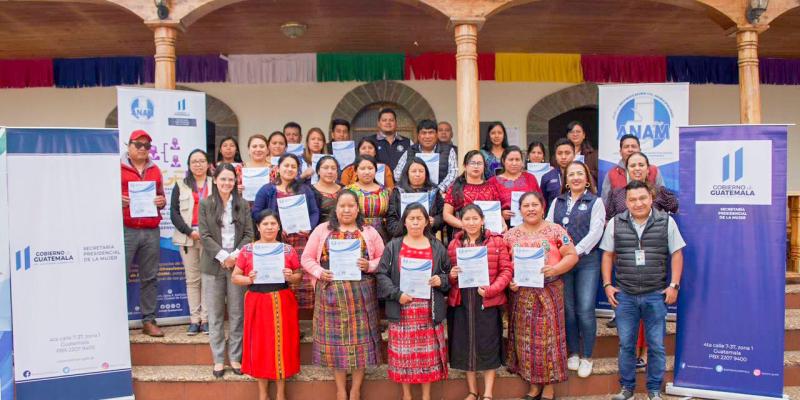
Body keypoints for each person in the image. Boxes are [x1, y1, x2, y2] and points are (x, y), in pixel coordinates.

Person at [601, 180, 685, 400]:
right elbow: (607, 255)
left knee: (656, 346)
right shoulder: (615, 223)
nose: (638, 203)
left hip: (655, 294)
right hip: (625, 296)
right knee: (626, 344)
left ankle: (654, 390)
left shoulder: (666, 222)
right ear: (626, 202)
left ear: (651, 197)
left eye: (642, 198)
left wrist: (674, 285)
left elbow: (677, 253)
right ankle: (627, 388)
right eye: (632, 199)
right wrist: (607, 285)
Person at [301, 190, 385, 400]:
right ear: (335, 209)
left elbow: (383, 258)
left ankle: (355, 390)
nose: (346, 210)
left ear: (358, 209)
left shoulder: (369, 231)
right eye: (342, 206)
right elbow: (307, 258)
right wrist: (321, 273)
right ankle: (340, 389)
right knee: (336, 346)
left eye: (350, 206)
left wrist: (370, 264)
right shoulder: (322, 230)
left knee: (361, 344)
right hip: (330, 294)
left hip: (362, 296)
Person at [505, 191, 579, 400]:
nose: (530, 209)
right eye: (526, 205)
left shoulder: (556, 230)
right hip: (522, 295)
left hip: (549, 291)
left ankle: (549, 387)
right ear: (520, 210)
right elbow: (505, 265)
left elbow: (572, 255)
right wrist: (510, 281)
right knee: (526, 340)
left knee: (548, 341)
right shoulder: (510, 235)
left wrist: (555, 269)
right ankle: (533, 385)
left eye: (534, 205)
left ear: (542, 206)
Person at [376, 203, 451, 400]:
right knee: (404, 357)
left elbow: (447, 274)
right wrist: (396, 294)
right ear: (405, 221)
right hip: (402, 308)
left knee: (427, 356)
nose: (416, 222)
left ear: (427, 221)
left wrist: (440, 280)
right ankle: (407, 395)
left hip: (428, 309)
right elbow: (382, 274)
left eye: (420, 218)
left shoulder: (436, 246)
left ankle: (426, 396)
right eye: (411, 218)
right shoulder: (394, 245)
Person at [232, 210, 302, 400]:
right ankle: (263, 394)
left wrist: (291, 276)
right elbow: (235, 277)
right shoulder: (247, 250)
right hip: (257, 301)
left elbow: (298, 276)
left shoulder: (287, 250)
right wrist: (248, 278)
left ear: (279, 226)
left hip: (282, 299)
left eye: (273, 224)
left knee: (282, 345)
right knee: (260, 346)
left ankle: (280, 394)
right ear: (258, 227)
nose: (269, 227)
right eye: (265, 224)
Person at [545, 161, 606, 378]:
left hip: (586, 261)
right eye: (572, 174)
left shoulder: (596, 202)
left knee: (585, 308)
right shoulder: (557, 201)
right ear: (566, 179)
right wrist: (561, 254)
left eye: (580, 173)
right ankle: (573, 352)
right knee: (568, 309)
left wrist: (575, 253)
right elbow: (549, 228)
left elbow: (596, 231)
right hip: (562, 262)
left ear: (587, 178)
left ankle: (587, 356)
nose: (576, 177)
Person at [447, 204, 512, 400]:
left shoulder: (496, 242)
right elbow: (448, 277)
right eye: (467, 219)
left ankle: (488, 394)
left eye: (475, 218)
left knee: (488, 344)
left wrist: (492, 290)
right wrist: (452, 275)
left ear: (482, 220)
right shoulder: (454, 245)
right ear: (461, 222)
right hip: (462, 301)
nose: (472, 223)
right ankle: (472, 391)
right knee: (466, 345)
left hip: (487, 300)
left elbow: (506, 270)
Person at [198, 163, 254, 378]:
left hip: (238, 265)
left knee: (237, 313)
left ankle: (235, 357)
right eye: (223, 179)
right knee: (215, 314)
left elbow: (249, 234)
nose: (227, 183)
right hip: (213, 265)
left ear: (236, 182)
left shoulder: (243, 204)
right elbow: (204, 235)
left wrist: (235, 256)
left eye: (231, 179)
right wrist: (224, 256)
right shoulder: (206, 204)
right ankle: (219, 359)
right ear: (215, 180)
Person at [252, 154, 320, 310]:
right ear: (278, 168)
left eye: (293, 167)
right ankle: (281, 316)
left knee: (301, 279)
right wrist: (274, 227)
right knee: (281, 278)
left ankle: (302, 317)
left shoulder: (305, 189)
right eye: (286, 165)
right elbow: (256, 213)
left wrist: (309, 227)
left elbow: (314, 212)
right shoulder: (267, 189)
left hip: (301, 240)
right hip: (276, 242)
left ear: (297, 170)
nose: (289, 169)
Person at [121, 129, 167, 337]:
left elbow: (162, 197)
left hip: (150, 230)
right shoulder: (116, 168)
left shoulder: (155, 170)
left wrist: (161, 201)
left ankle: (148, 320)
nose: (142, 149)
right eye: (138, 145)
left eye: (146, 146)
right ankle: (115, 321)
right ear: (128, 146)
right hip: (126, 228)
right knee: (119, 276)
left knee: (150, 277)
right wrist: (117, 199)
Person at [170, 149, 214, 335]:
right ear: (189, 165)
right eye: (194, 161)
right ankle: (194, 320)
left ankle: (206, 319)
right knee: (193, 280)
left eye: (201, 160)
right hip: (187, 238)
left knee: (208, 279)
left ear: (208, 164)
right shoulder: (180, 184)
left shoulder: (216, 183)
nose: (198, 164)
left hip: (210, 239)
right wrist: (189, 231)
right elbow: (174, 212)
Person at [606, 152, 678, 220]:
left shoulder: (659, 192)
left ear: (647, 170)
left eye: (641, 165)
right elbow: (609, 220)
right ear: (627, 170)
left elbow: (674, 209)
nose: (637, 168)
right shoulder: (616, 193)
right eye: (632, 165)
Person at [393, 119, 458, 194]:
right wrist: (410, 188)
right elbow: (397, 174)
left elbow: (453, 173)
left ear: (436, 135)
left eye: (431, 133)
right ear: (418, 135)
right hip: (413, 194)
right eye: (424, 133)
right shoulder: (411, 150)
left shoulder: (448, 150)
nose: (427, 136)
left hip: (440, 195)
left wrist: (438, 191)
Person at [443, 150, 502, 231]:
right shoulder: (455, 187)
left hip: (489, 232)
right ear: (465, 166)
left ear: (484, 166)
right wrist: (464, 225)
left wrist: (503, 223)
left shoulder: (491, 187)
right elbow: (446, 215)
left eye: (479, 163)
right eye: (472, 163)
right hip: (464, 234)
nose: (476, 166)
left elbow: (497, 212)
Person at [386, 157, 445, 238]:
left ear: (426, 173)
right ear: (407, 173)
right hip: (402, 238)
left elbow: (443, 214)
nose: (417, 174)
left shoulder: (433, 191)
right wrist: (404, 227)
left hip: (428, 237)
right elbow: (391, 219)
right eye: (414, 171)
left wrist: (435, 221)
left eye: (421, 171)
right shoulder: (398, 192)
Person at [600, 134, 665, 205]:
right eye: (626, 147)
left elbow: (663, 198)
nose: (630, 149)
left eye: (634, 146)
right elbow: (605, 202)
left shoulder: (653, 170)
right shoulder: (612, 174)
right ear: (620, 152)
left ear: (640, 150)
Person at [488, 146, 542, 228]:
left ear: (522, 161)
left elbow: (541, 201)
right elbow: (489, 208)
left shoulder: (530, 178)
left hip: (531, 225)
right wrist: (500, 214)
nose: (514, 163)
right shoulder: (493, 182)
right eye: (511, 160)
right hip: (504, 226)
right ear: (503, 161)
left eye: (517, 160)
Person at [345, 156, 392, 241]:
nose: (367, 172)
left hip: (381, 235)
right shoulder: (348, 191)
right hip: (356, 235)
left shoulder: (384, 191)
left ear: (376, 170)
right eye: (362, 169)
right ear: (355, 171)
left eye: (370, 168)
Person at [541, 138, 576, 212]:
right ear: (555, 156)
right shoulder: (547, 177)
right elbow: (543, 203)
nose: (563, 157)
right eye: (559, 153)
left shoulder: (581, 176)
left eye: (567, 153)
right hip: (553, 220)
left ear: (574, 155)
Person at [239, 134, 271, 198]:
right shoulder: (239, 169)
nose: (258, 149)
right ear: (248, 150)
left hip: (269, 207)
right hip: (244, 206)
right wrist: (235, 190)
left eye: (262, 146)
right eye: (254, 146)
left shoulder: (275, 170)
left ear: (267, 150)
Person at [312, 156, 342, 224]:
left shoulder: (344, 189)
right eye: (325, 168)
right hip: (320, 232)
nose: (330, 171)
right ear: (318, 171)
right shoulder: (310, 191)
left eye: (333, 168)